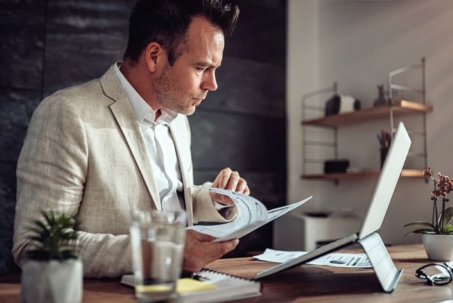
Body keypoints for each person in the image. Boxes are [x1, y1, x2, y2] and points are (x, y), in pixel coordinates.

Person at [12, 0, 249, 278]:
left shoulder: (178, 121)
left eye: (214, 69)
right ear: (154, 56)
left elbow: (163, 201)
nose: (212, 84)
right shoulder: (67, 113)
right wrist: (165, 252)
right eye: (201, 68)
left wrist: (215, 199)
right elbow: (37, 245)